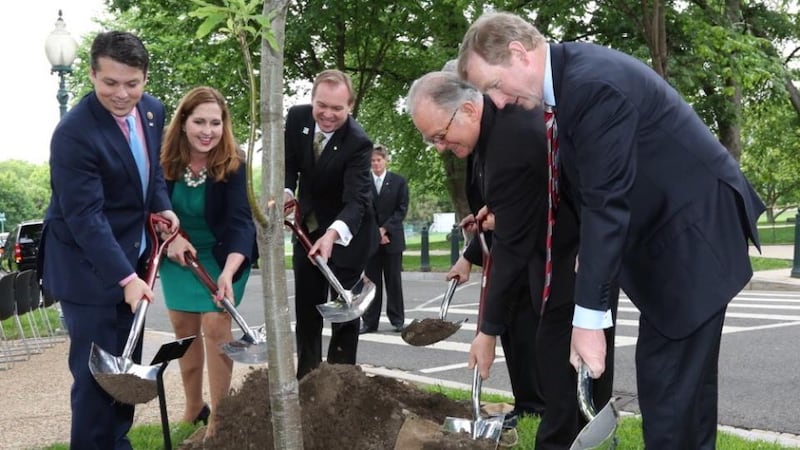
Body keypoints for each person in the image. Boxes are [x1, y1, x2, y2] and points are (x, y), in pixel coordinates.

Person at [457, 11, 766, 448]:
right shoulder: (569, 84)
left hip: (692, 238)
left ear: (518, 53)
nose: (498, 102)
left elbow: (606, 202)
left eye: (493, 85)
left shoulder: (591, 86)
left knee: (669, 391)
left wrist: (587, 322)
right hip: (678, 237)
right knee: (683, 393)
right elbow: (587, 186)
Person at [407, 71, 615, 448]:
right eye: (431, 139)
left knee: (564, 378)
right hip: (557, 254)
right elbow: (528, 202)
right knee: (563, 377)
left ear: (468, 110)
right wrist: (499, 215)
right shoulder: (492, 133)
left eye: (440, 135)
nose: (438, 147)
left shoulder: (509, 140)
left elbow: (511, 248)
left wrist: (487, 333)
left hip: (575, 260)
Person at [39, 31, 179, 449]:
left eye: (132, 83)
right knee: (95, 381)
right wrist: (125, 278)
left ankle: (116, 443)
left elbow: (151, 174)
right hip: (86, 270)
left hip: (132, 261)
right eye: (110, 83)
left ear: (145, 78)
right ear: (92, 75)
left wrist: (163, 207)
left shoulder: (152, 111)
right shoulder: (73, 133)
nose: (122, 94)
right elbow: (85, 217)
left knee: (124, 373)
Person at [158, 86, 256, 437]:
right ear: (183, 122)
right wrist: (170, 238)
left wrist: (229, 272)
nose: (208, 131)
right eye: (199, 121)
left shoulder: (234, 162)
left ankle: (220, 418)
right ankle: (193, 406)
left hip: (221, 255)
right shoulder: (162, 158)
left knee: (216, 326)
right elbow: (149, 206)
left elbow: (241, 222)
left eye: (216, 123)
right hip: (176, 253)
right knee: (183, 329)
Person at [284, 69, 379, 379]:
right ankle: (308, 379)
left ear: (350, 106)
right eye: (321, 105)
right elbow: (288, 164)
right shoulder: (297, 118)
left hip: (348, 232)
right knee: (307, 308)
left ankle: (341, 382)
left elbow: (357, 200)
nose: (327, 114)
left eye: (337, 108)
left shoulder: (358, 143)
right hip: (306, 229)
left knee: (345, 312)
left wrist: (332, 234)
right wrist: (286, 192)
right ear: (312, 100)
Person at [361, 144, 409, 334]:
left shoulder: (398, 181)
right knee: (372, 283)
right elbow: (363, 209)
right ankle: (370, 322)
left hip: (393, 240)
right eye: (372, 161)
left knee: (393, 281)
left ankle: (397, 320)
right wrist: (376, 233)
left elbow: (401, 209)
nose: (376, 164)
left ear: (386, 160)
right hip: (371, 241)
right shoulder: (364, 182)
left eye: (378, 160)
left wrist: (385, 230)